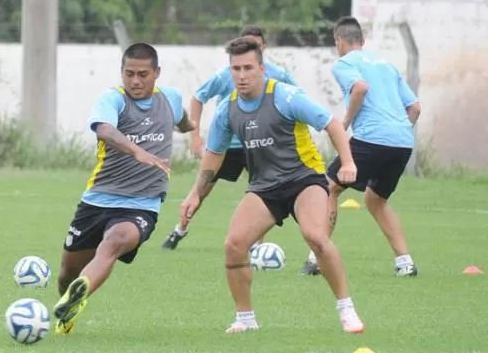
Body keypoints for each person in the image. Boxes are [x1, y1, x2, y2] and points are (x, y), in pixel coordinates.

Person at [181, 37, 365, 334]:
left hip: (303, 177)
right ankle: (245, 319)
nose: (241, 75)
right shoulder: (227, 110)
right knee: (234, 244)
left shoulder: (285, 96)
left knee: (315, 236)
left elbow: (331, 124)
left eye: (248, 68)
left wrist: (348, 163)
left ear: (261, 68)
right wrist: (194, 194)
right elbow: (213, 157)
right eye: (235, 68)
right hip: (265, 186)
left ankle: (347, 309)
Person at [52, 43, 195, 335]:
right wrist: (136, 151)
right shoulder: (112, 98)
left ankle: (84, 288)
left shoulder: (170, 98)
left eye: (143, 74)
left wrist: (195, 132)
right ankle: (69, 306)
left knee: (114, 242)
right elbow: (104, 129)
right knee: (67, 272)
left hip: (141, 205)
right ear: (122, 72)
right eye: (129, 74)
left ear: (157, 73)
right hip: (97, 200)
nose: (135, 81)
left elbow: (182, 120)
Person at [300, 17, 420, 277]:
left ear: (339, 42)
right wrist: (396, 132)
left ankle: (317, 259)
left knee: (328, 188)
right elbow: (415, 107)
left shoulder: (344, 63)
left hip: (371, 138)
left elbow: (360, 88)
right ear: (362, 42)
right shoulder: (388, 66)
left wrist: (344, 124)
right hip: (402, 142)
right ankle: (405, 262)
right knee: (376, 200)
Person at [162, 25, 297, 251]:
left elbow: (295, 102)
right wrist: (195, 137)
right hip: (228, 146)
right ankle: (180, 230)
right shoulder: (227, 75)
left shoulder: (279, 76)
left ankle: (257, 246)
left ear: (263, 49)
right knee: (201, 189)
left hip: (260, 145)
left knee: (264, 195)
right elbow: (198, 98)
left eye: (255, 46)